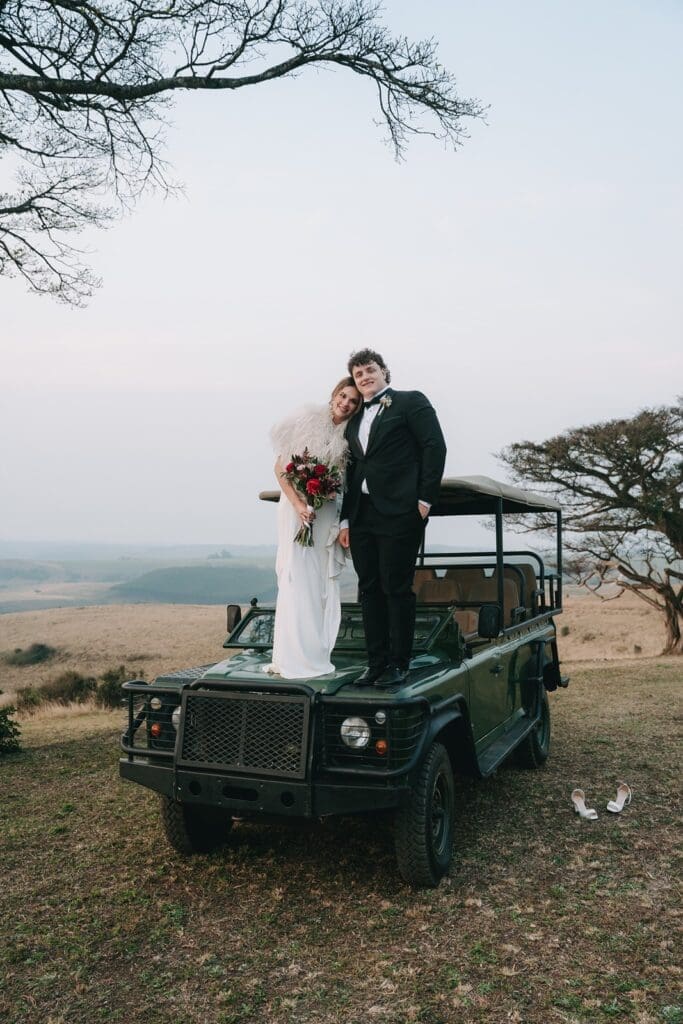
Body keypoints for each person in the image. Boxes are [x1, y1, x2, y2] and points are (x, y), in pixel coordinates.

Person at [339, 349, 446, 686]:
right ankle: (376, 663)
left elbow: (434, 446)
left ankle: (399, 665)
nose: (364, 377)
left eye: (370, 370)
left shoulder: (410, 402)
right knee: (368, 589)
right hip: (362, 516)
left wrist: (425, 500)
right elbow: (351, 469)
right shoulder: (354, 418)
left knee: (396, 588)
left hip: (401, 511)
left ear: (384, 371)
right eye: (358, 374)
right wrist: (345, 519)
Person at [267, 378, 361, 678]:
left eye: (354, 401)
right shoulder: (307, 419)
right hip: (299, 508)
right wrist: (299, 504)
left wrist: (327, 495)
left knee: (319, 580)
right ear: (334, 394)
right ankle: (292, 657)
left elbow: (345, 480)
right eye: (343, 396)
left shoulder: (350, 436)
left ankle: (315, 653)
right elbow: (281, 467)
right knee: (298, 577)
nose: (346, 403)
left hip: (326, 511)